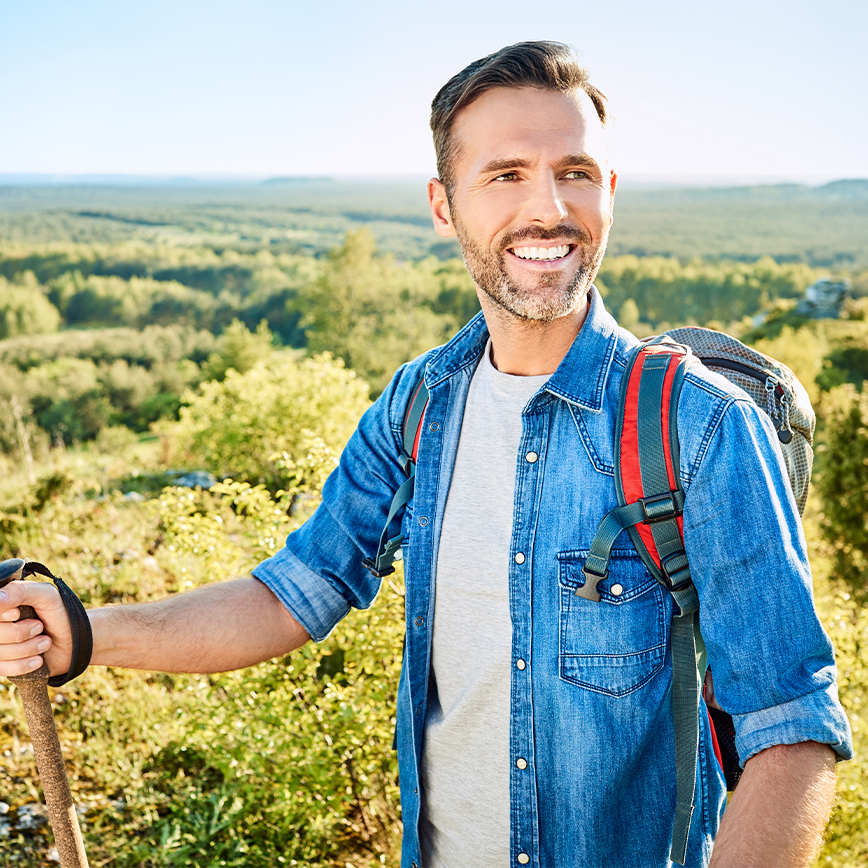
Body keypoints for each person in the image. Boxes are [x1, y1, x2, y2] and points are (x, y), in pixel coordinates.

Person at [0, 41, 852, 868]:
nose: (548, 207)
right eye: (506, 174)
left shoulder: (700, 427)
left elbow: (791, 723)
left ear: (611, 191)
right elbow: (293, 592)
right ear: (445, 205)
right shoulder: (420, 405)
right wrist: (84, 632)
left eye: (577, 173)